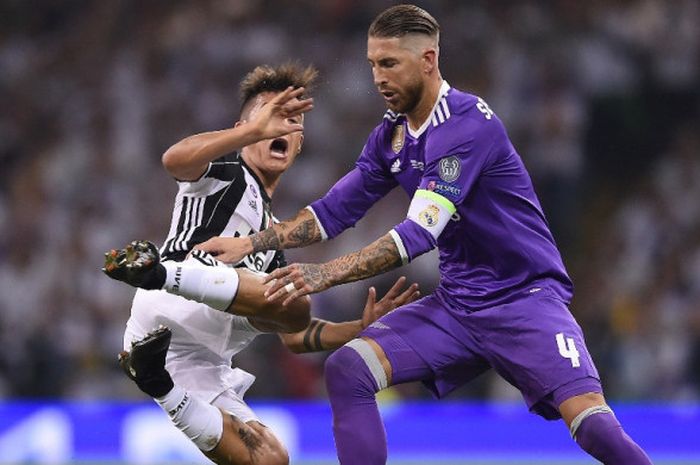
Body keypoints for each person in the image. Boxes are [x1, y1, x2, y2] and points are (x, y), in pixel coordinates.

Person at [194, 6, 654, 465]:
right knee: (348, 369)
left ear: (428, 61)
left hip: (524, 300)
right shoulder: (390, 137)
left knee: (591, 424)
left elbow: (417, 236)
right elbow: (335, 210)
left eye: (389, 63)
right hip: (458, 304)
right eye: (372, 64)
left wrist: (323, 274)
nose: (377, 77)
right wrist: (256, 242)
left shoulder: (468, 125)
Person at [102, 62, 419, 465]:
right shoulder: (227, 173)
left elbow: (293, 336)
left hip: (186, 359)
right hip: (171, 302)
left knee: (271, 457)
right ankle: (157, 271)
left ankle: (155, 382)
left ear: (300, 143)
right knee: (295, 298)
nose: (283, 126)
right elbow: (174, 160)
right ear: (245, 127)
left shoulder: (271, 235)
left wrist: (358, 329)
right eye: (273, 115)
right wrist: (249, 132)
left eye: (294, 121)